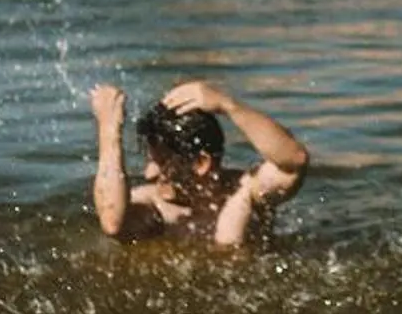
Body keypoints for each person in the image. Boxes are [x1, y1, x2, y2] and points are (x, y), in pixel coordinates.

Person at [88, 78, 307, 245]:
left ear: (201, 163)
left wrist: (228, 105)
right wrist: (109, 131)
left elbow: (294, 161)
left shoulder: (246, 191)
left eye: (162, 163)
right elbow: (112, 221)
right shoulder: (155, 206)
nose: (149, 174)